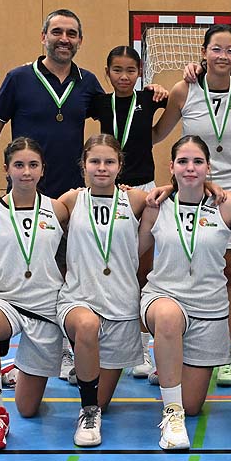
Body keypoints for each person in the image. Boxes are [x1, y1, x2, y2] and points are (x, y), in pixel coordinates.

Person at [0, 8, 103, 380]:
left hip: (68, 199)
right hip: (24, 194)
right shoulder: (18, 78)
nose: (64, 39)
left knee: (64, 273)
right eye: (57, 32)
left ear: (80, 41)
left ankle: (63, 352)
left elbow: (120, 115)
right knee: (10, 275)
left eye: (72, 34)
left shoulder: (88, 83)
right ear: (43, 36)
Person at [153, 25, 231, 387]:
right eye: (216, 49)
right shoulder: (184, 89)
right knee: (186, 263)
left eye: (230, 50)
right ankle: (175, 349)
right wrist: (144, 101)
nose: (223, 56)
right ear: (203, 52)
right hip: (191, 182)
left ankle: (225, 353)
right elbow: (157, 133)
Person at [138, 135, 231, 450]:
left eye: (197, 162)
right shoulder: (157, 205)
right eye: (183, 162)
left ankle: (170, 368)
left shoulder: (226, 205)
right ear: (171, 167)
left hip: (209, 309)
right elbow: (130, 253)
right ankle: (172, 413)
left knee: (193, 405)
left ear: (209, 167)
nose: (190, 168)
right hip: (163, 297)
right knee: (168, 317)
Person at [0, 137, 68, 451]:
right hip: (5, 302)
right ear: (7, 169)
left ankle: (16, 369)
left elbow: (95, 203)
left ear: (42, 170)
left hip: (45, 309)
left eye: (33, 165)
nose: (26, 172)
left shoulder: (58, 209)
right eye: (19, 165)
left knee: (28, 409)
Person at [56, 134, 149, 447]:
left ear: (120, 166)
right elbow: (29, 210)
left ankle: (86, 372)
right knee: (87, 325)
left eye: (109, 161)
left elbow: (169, 196)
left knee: (104, 399)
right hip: (79, 298)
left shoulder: (134, 200)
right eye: (94, 161)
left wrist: (210, 187)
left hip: (121, 305)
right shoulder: (71, 200)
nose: (102, 167)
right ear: (83, 165)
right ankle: (87, 410)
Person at [87, 45, 169, 380]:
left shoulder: (149, 99)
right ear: (107, 72)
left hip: (143, 189)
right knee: (108, 265)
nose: (124, 77)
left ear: (140, 73)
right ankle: (103, 343)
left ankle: (143, 347)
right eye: (117, 70)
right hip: (109, 191)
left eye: (131, 71)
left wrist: (160, 89)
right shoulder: (99, 102)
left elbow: (179, 98)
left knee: (143, 270)